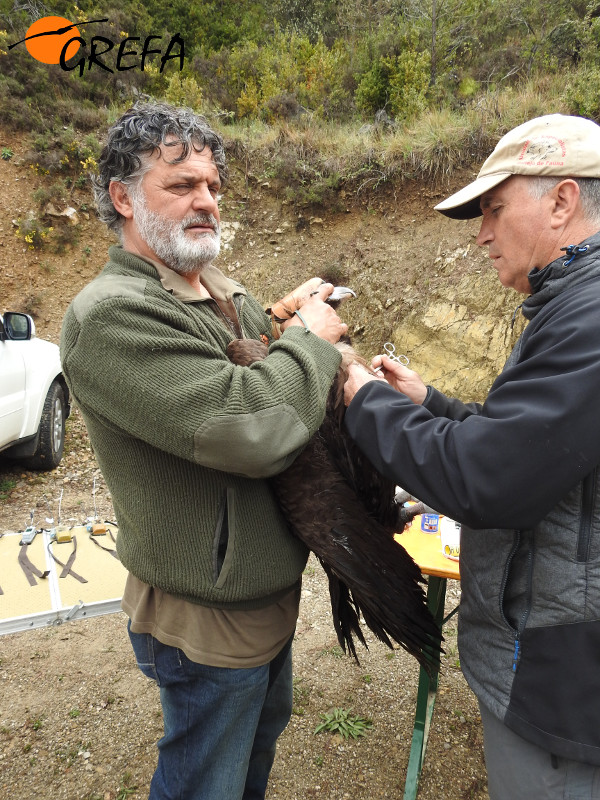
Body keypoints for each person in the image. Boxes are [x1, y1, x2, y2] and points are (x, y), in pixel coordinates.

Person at [60, 102, 348, 800]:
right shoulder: (110, 316)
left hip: (263, 597)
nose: (207, 201)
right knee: (205, 786)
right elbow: (249, 425)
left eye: (213, 187)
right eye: (182, 185)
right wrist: (311, 337)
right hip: (205, 617)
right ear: (123, 198)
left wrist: (282, 320)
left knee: (248, 767)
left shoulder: (212, 285)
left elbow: (256, 357)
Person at [343, 114, 600, 799]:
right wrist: (429, 404)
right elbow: (541, 448)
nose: (482, 234)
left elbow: (489, 478)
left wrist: (361, 399)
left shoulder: (589, 316)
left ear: (562, 201)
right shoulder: (569, 305)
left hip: (564, 683)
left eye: (492, 209)